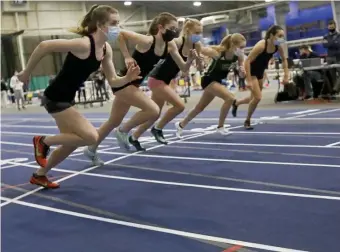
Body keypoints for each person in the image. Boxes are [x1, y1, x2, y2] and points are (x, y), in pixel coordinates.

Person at [17, 5, 141, 189]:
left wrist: (127, 78)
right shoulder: (84, 44)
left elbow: (113, 80)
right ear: (100, 25)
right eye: (114, 23)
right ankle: (43, 141)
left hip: (67, 98)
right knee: (91, 137)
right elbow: (44, 46)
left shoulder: (105, 48)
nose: (118, 27)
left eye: (119, 23)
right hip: (55, 97)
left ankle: (39, 175)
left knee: (70, 143)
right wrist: (26, 73)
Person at [84, 12, 200, 163]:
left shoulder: (169, 46)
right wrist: (126, 56)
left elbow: (184, 68)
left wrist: (190, 59)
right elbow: (121, 34)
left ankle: (91, 149)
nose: (176, 32)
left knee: (113, 120)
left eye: (177, 28)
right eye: (172, 28)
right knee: (153, 110)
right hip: (123, 81)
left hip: (134, 83)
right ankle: (123, 131)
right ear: (161, 28)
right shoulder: (147, 41)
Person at [127, 18, 203, 151]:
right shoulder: (176, 43)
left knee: (154, 114)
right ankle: (157, 128)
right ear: (187, 30)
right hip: (156, 79)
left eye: (201, 32)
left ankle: (134, 137)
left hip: (166, 80)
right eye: (196, 32)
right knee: (179, 106)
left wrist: (197, 60)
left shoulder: (197, 46)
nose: (199, 35)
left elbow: (191, 69)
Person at [175, 33, 247, 138]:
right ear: (232, 45)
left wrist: (242, 71)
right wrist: (190, 49)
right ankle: (220, 127)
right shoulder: (217, 53)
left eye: (244, 47)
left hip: (217, 81)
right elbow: (200, 48)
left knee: (199, 108)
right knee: (230, 98)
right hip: (208, 79)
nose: (242, 50)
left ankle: (181, 124)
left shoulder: (239, 57)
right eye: (241, 47)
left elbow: (241, 75)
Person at [232, 25, 289, 129]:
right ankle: (247, 121)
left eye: (283, 36)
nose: (281, 38)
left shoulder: (278, 46)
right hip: (251, 71)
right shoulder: (262, 45)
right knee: (258, 98)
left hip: (260, 72)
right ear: (271, 35)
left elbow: (284, 59)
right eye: (279, 36)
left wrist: (286, 75)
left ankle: (236, 103)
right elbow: (247, 61)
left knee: (252, 98)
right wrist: (248, 79)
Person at [323, 20, 340, 94]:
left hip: (338, 57)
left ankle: (335, 89)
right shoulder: (325, 36)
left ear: (335, 26)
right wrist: (333, 42)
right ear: (327, 27)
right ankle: (336, 91)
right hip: (329, 58)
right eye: (329, 26)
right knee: (333, 77)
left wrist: (330, 43)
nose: (331, 27)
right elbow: (324, 45)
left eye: (332, 26)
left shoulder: (339, 35)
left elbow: (338, 45)